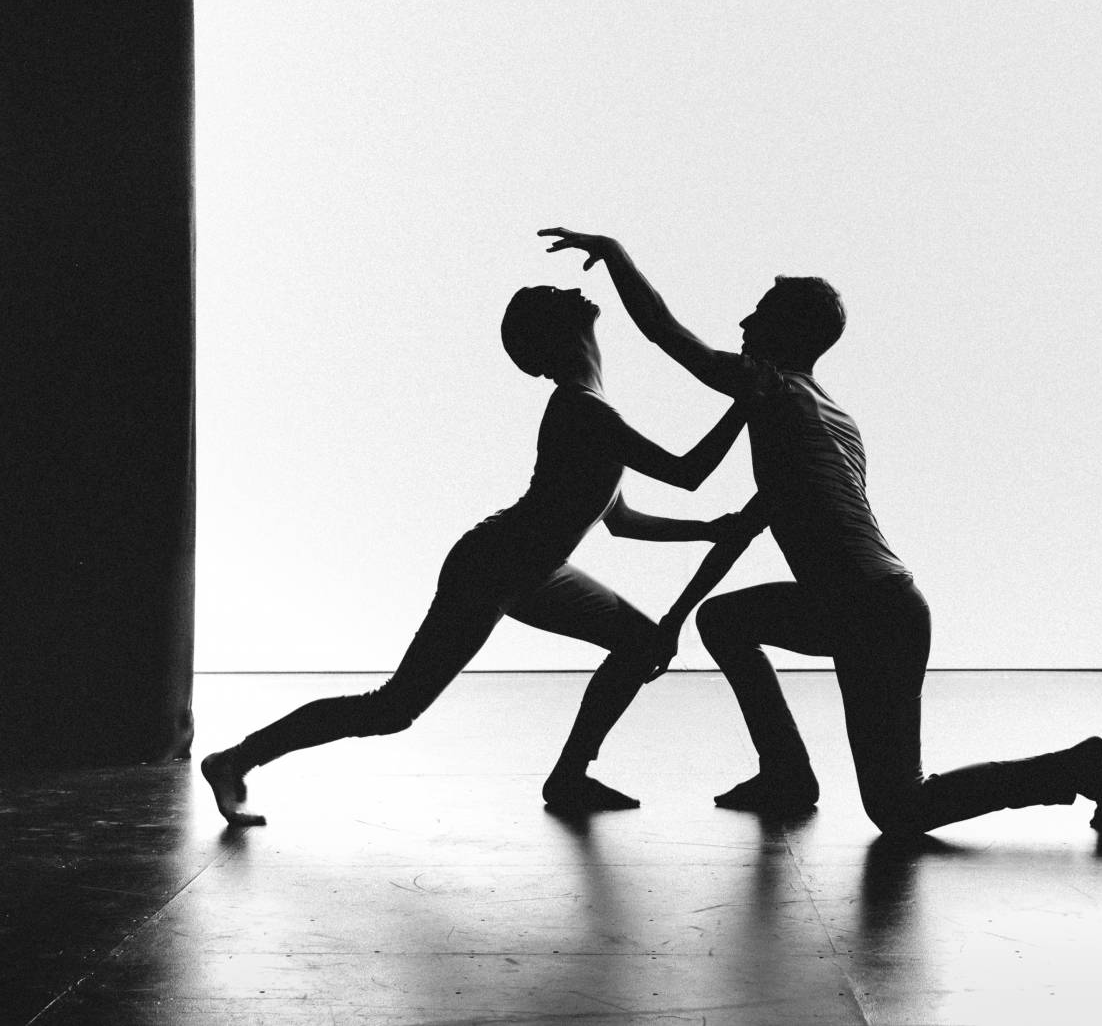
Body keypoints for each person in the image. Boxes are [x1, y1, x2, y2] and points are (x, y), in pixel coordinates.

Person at [538, 228, 1102, 837]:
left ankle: (1075, 767)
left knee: (901, 809)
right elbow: (745, 528)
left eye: (760, 315)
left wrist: (612, 252)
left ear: (789, 334)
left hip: (867, 612)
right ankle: (787, 774)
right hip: (876, 606)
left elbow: (665, 331)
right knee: (723, 620)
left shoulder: (773, 391)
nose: (743, 321)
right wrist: (677, 616)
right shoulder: (828, 418)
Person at [201, 285, 745, 825]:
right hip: (492, 565)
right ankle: (234, 760)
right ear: (558, 329)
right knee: (394, 708)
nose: (578, 287)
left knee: (642, 643)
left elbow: (620, 522)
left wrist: (707, 531)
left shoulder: (592, 405)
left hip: (536, 570)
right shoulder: (582, 409)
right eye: (560, 292)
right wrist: (749, 399)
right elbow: (688, 473)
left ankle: (569, 777)